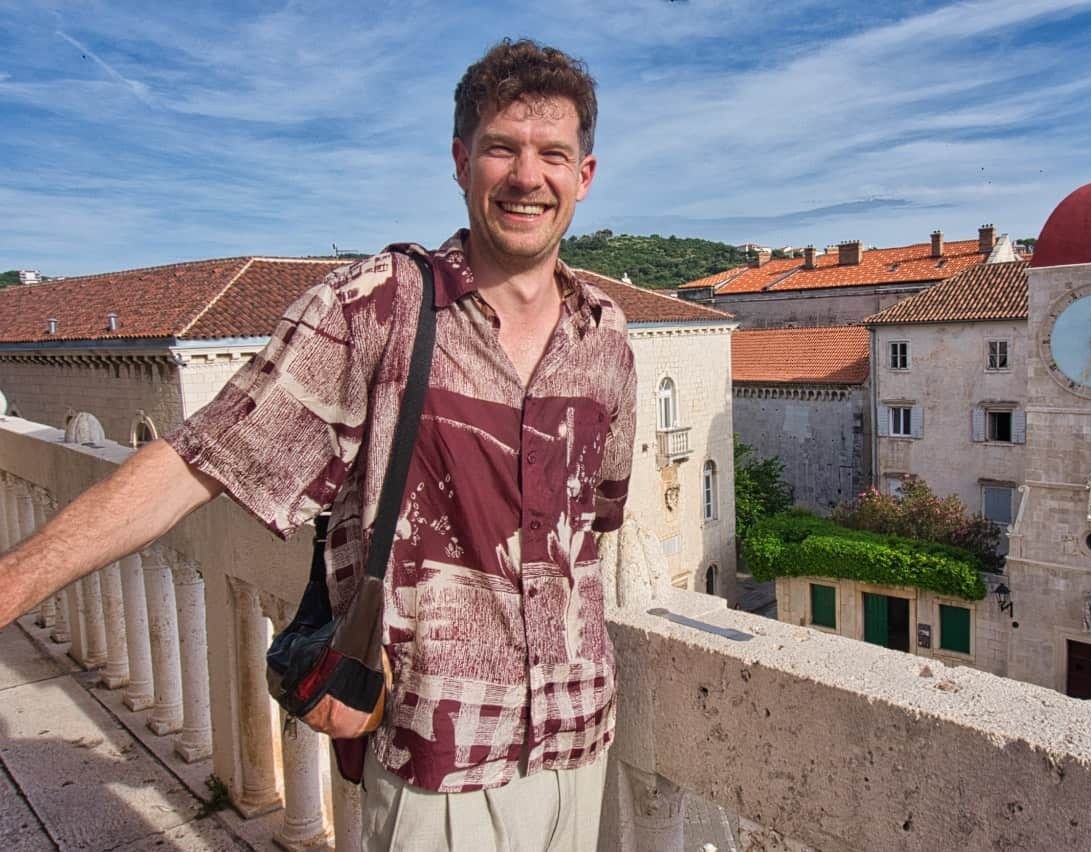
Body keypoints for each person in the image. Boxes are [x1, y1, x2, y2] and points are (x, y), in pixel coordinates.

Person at [0, 38, 636, 852]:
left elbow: (595, 520)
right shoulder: (380, 308)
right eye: (501, 148)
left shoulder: (605, 339)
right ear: (459, 161)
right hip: (437, 758)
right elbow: (198, 460)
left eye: (552, 154)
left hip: (579, 740)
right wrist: (13, 583)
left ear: (584, 175)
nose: (526, 176)